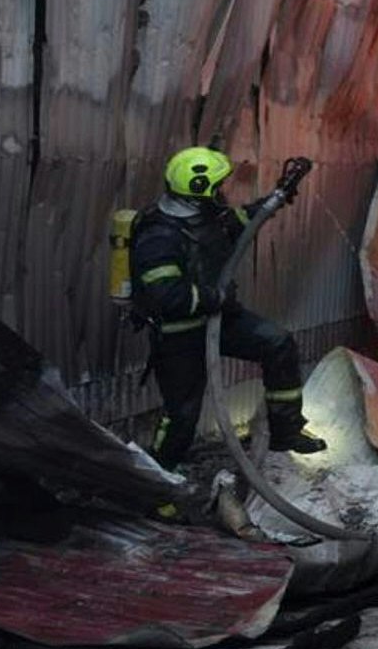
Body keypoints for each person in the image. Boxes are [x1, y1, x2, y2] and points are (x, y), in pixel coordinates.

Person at [130, 146, 323, 468]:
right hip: (179, 335)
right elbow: (168, 296)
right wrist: (214, 298)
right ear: (198, 189)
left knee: (278, 343)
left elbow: (239, 222)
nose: (222, 192)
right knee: (182, 416)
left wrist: (279, 194)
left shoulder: (204, 216)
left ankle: (285, 431)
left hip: (219, 320)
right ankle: (160, 486)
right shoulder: (158, 236)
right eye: (218, 186)